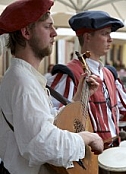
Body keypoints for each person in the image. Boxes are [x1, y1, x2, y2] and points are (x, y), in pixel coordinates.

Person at [0, 1, 103, 174]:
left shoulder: (26, 77)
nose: (54, 33)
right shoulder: (22, 81)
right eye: (48, 26)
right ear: (26, 32)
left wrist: (79, 99)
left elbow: (45, 125)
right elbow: (40, 143)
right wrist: (87, 138)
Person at [47, 10, 126, 149]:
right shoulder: (68, 74)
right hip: (87, 158)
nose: (110, 39)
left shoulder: (109, 73)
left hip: (112, 153)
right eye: (104, 33)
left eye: (110, 33)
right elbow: (55, 122)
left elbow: (122, 112)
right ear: (88, 37)